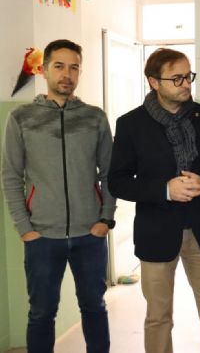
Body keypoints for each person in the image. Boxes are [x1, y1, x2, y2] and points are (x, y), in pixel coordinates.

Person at [107, 48, 200, 353]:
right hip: (156, 232)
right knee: (158, 318)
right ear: (154, 82)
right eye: (176, 78)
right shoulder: (131, 124)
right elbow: (117, 181)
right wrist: (165, 189)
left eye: (188, 76)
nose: (185, 84)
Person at [1, 39, 115, 353]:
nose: (67, 74)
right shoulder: (22, 118)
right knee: (41, 313)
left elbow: (109, 173)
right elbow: (11, 176)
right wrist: (25, 228)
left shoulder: (94, 118)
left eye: (74, 67)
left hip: (90, 234)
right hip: (41, 237)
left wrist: (105, 219)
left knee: (94, 308)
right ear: (44, 70)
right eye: (59, 66)